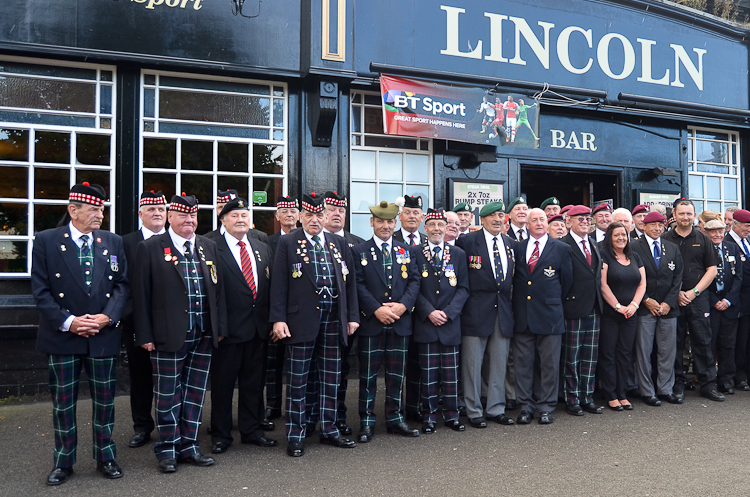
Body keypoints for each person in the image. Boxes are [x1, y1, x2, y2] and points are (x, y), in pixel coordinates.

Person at [31, 183, 129, 485]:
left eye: (102, 209)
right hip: (63, 336)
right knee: (64, 403)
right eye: (93, 209)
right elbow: (41, 290)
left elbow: (122, 285)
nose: (100, 214)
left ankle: (105, 456)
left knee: (105, 401)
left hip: (102, 334)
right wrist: (70, 321)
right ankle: (63, 461)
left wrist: (107, 316)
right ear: (73, 210)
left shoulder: (112, 241)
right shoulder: (46, 241)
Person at [134, 193, 228, 473]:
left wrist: (219, 329)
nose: (189, 221)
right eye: (183, 216)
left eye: (193, 216)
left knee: (195, 394)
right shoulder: (150, 247)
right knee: (167, 395)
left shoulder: (208, 247)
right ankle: (167, 449)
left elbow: (218, 291)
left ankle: (189, 446)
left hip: (203, 334)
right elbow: (141, 296)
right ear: (170, 217)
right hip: (167, 334)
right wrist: (145, 335)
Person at [269, 192, 359, 457]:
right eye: (309, 215)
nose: (315, 220)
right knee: (298, 380)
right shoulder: (288, 242)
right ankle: (296, 434)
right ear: (300, 216)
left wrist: (352, 316)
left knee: (331, 377)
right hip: (300, 320)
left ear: (326, 216)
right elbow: (279, 284)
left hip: (333, 319)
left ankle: (329, 429)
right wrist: (278, 319)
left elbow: (349, 283)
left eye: (319, 215)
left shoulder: (337, 243)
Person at [209, 197, 276, 454]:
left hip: (257, 330)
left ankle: (251, 430)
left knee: (253, 384)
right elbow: (212, 293)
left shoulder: (261, 247)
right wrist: (219, 328)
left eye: (244, 215)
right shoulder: (211, 247)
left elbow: (268, 288)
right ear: (223, 220)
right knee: (223, 386)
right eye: (234, 215)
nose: (240, 220)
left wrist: (270, 321)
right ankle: (221, 435)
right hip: (228, 331)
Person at [353, 201, 420, 443]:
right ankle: (367, 421)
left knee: (396, 375)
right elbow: (357, 285)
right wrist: (376, 309)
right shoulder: (359, 251)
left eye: (390, 221)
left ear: (396, 222)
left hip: (400, 323)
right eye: (380, 221)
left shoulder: (407, 251)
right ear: (372, 222)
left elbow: (415, 282)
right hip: (372, 323)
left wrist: (403, 306)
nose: (385, 226)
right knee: (368, 376)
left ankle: (395, 418)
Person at [456, 201, 516, 428]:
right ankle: (473, 411)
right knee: (472, 365)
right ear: (482, 220)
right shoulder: (467, 242)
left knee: (499, 364)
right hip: (475, 313)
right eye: (493, 216)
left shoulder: (511, 244)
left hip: (503, 312)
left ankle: (495, 408)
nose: (498, 220)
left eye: (501, 215)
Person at [512, 208, 573, 425]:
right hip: (523, 316)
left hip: (550, 315)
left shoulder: (562, 249)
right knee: (523, 365)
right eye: (534, 220)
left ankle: (546, 406)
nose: (539, 223)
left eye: (542, 220)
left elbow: (566, 283)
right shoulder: (517, 248)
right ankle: (526, 406)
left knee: (549, 365)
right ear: (526, 224)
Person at [413, 209, 470, 433]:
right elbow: (412, 287)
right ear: (425, 228)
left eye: (441, 225)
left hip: (450, 323)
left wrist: (448, 312)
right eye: (432, 225)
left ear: (447, 228)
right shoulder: (415, 252)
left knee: (450, 375)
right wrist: (428, 311)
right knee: (428, 375)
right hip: (426, 323)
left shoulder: (457, 254)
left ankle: (452, 415)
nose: (437, 229)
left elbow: (464, 288)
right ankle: (428, 416)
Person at [662, 199, 721, 402]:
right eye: (682, 214)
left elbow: (712, 269)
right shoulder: (665, 238)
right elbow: (661, 272)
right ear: (674, 215)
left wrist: (694, 292)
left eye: (689, 214)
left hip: (698, 298)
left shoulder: (703, 238)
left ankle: (707, 385)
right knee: (675, 343)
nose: (685, 217)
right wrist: (677, 293)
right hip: (673, 299)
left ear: (694, 215)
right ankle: (677, 385)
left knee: (703, 341)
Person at [121, 190, 167, 449]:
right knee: (140, 378)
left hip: (171, 323)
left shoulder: (179, 239)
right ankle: (142, 426)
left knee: (172, 378)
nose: (157, 213)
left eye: (161, 209)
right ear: (140, 214)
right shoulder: (126, 243)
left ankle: (170, 425)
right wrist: (133, 319)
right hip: (138, 323)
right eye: (151, 210)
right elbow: (122, 285)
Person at [322, 191, 365, 436]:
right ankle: (309, 419)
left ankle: (337, 416)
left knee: (340, 371)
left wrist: (353, 318)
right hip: (314, 320)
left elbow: (356, 285)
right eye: (332, 210)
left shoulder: (356, 243)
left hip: (343, 321)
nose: (337, 214)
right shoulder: (307, 240)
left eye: (341, 211)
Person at [631, 212, 684, 405]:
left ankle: (665, 389)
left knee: (667, 350)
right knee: (643, 351)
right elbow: (632, 277)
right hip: (645, 307)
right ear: (644, 226)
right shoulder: (633, 247)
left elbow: (678, 277)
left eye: (660, 225)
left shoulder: (672, 248)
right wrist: (646, 300)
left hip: (668, 308)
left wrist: (669, 302)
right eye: (652, 225)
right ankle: (647, 391)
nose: (657, 229)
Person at [560, 206, 604, 416]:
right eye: (580, 219)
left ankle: (587, 397)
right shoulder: (562, 245)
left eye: (588, 219)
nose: (585, 222)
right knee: (572, 358)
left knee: (590, 357)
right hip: (573, 307)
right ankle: (572, 398)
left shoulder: (594, 244)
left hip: (594, 307)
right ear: (569, 222)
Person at [598, 222, 646, 411]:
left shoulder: (634, 256)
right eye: (617, 235)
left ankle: (622, 393)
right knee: (609, 354)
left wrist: (633, 305)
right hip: (611, 313)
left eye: (624, 235)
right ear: (610, 237)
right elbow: (603, 285)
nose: (621, 238)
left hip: (630, 314)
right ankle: (610, 394)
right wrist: (618, 307)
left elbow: (642, 284)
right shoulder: (604, 255)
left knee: (625, 354)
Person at [264, 195, 300, 429]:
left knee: (297, 366)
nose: (288, 214)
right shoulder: (267, 243)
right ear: (277, 216)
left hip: (299, 314)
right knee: (273, 363)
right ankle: (273, 405)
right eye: (283, 211)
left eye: (292, 211)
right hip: (276, 313)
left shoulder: (305, 239)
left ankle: (295, 408)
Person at [393, 195, 427, 420]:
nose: (412, 216)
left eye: (416, 213)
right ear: (399, 216)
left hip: (424, 313)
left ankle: (414, 408)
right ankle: (393, 411)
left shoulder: (428, 240)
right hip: (399, 312)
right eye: (407, 212)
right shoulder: (389, 237)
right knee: (396, 368)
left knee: (418, 364)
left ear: (422, 217)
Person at [704, 219, 743, 394]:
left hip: (730, 305)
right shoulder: (703, 250)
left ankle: (725, 380)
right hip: (710, 305)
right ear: (706, 233)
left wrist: (728, 300)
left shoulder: (732, 248)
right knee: (709, 344)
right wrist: (714, 301)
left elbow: (739, 277)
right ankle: (709, 380)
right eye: (714, 232)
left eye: (721, 231)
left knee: (728, 344)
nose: (718, 235)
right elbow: (699, 277)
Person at [724, 208, 750, 391]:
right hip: (736, 298)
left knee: (747, 339)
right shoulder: (726, 242)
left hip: (747, 299)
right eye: (746, 226)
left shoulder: (747, 241)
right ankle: (738, 375)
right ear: (736, 224)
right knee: (737, 341)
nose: (748, 230)